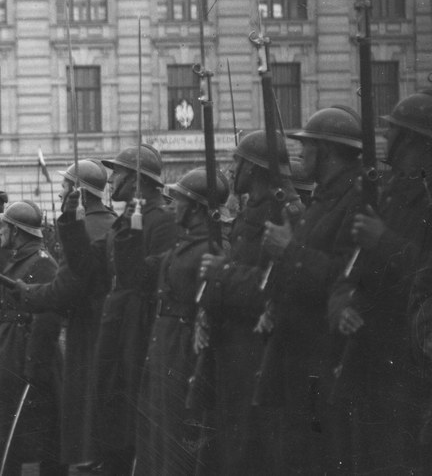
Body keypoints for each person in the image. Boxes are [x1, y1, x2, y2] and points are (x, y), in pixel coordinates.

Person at [259, 106, 366, 475]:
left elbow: (345, 275)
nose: (301, 153)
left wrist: (290, 249)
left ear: (328, 150)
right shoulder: (324, 199)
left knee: (319, 457)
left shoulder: (355, 200)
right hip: (298, 356)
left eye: (308, 145)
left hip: (321, 357)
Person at [61, 145, 178, 476]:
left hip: (139, 329)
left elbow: (157, 277)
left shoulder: (162, 220)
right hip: (116, 327)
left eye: (120, 173)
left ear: (139, 181)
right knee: (112, 408)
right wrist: (70, 221)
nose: (112, 180)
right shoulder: (125, 220)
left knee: (132, 414)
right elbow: (88, 266)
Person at [339, 89, 432, 473]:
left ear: (409, 138)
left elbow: (425, 273)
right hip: (371, 353)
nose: (385, 137)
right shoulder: (388, 193)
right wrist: (344, 304)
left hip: (407, 359)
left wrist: (385, 241)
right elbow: (349, 270)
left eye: (392, 130)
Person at [195, 131, 289, 475]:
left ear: (253, 168)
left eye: (238, 162)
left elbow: (268, 285)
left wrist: (222, 273)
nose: (232, 170)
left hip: (253, 349)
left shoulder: (273, 214)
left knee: (248, 450)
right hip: (232, 347)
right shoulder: (251, 211)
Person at [13, 159, 116, 471]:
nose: (60, 193)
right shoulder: (112, 221)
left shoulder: (84, 227)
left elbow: (66, 288)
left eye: (65, 186)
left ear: (77, 191)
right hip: (108, 326)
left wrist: (29, 294)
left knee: (84, 420)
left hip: (85, 332)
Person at [135, 168, 228, 474]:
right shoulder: (185, 244)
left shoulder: (210, 249)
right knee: (162, 428)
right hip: (166, 344)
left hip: (184, 348)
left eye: (180, 200)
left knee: (178, 431)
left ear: (198, 208)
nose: (173, 206)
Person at [0, 201, 63, 476]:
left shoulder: (41, 263)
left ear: (16, 231)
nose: (0, 232)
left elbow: (48, 316)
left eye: (4, 226)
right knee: (9, 428)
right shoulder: (20, 259)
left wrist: (33, 362)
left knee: (32, 430)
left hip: (25, 353)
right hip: (11, 349)